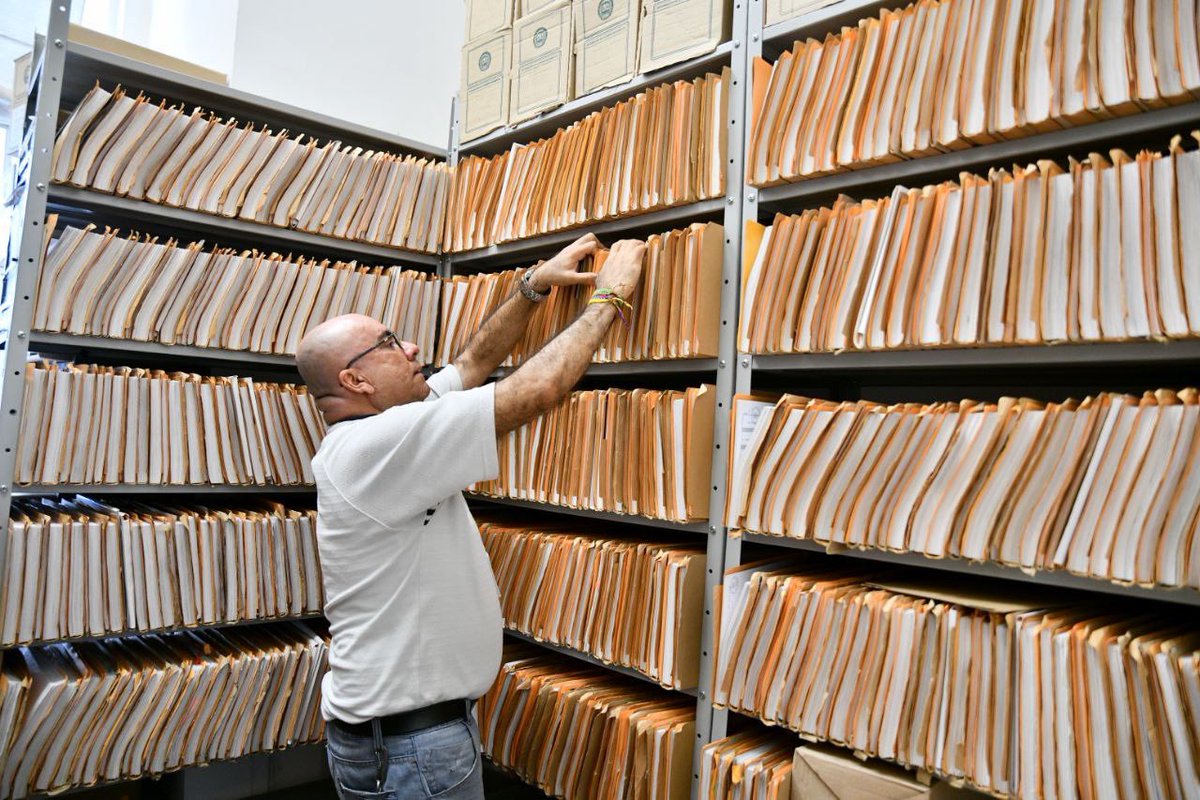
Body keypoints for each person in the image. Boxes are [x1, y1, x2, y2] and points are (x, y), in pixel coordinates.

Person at [295, 233, 646, 800]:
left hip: (403, 741)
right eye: (389, 343)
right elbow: (538, 389)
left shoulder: (385, 427)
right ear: (356, 382)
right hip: (411, 749)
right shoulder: (374, 445)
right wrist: (609, 297)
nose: (412, 347)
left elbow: (472, 363)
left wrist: (533, 287)